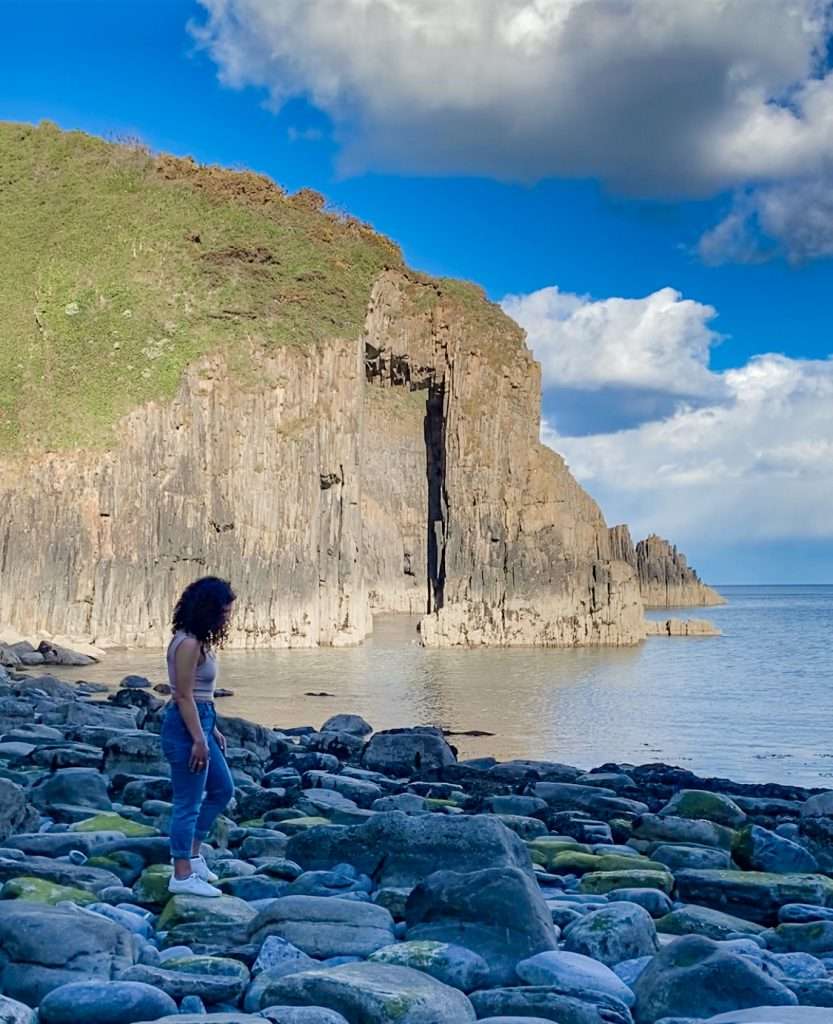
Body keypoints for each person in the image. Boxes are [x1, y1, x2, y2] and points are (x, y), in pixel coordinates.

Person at [161, 576, 236, 896]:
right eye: (225, 611)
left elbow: (201, 695)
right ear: (210, 610)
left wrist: (212, 728)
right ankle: (180, 876)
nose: (229, 617)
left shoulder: (197, 640)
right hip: (185, 727)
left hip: (201, 721)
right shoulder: (188, 643)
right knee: (187, 802)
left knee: (222, 789)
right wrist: (198, 739)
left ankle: (193, 855)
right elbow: (182, 695)